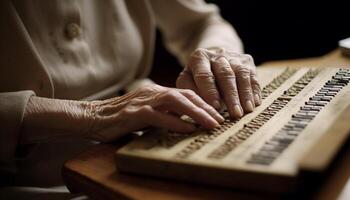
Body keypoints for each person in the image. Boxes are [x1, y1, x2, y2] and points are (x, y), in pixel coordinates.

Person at [0, 0, 261, 199]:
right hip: (28, 182)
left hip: (151, 133)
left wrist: (217, 57)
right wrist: (92, 115)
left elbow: (200, 24)